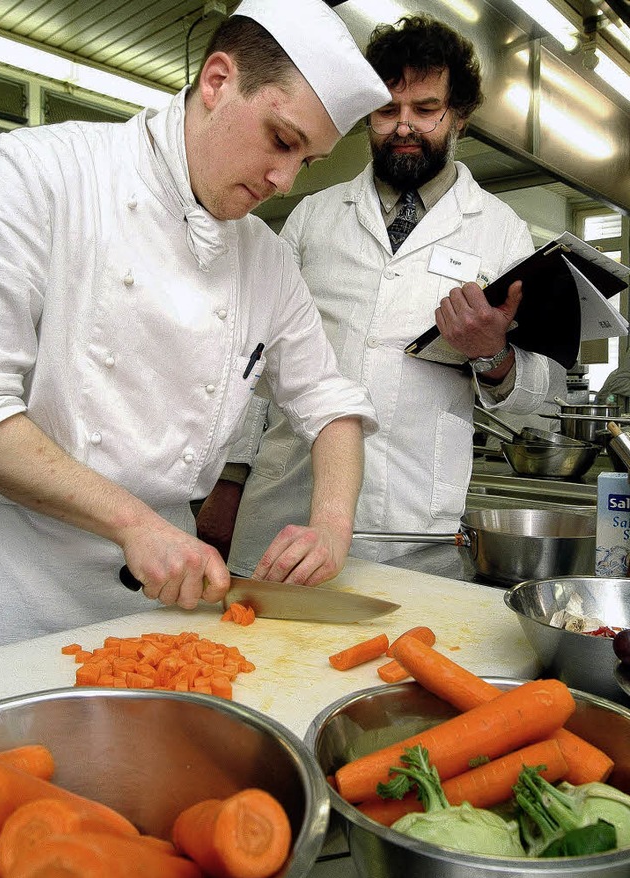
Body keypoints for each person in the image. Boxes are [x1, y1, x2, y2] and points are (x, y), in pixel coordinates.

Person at [0, 0, 392, 646]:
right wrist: (132, 521)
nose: (284, 181)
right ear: (217, 82)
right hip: (15, 601)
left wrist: (331, 522)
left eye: (307, 162)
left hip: (167, 603)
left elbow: (332, 403)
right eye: (282, 140)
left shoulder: (266, 258)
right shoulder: (38, 175)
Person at [199, 13, 554, 571]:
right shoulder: (312, 218)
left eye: (426, 110)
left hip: (411, 527)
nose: (404, 127)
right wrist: (230, 481)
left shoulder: (500, 230)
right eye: (387, 110)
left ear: (457, 115)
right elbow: (253, 361)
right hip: (288, 508)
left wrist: (493, 354)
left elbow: (539, 397)